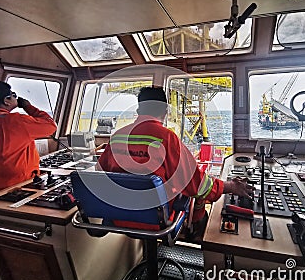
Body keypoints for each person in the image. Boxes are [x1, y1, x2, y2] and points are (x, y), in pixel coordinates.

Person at [96, 87, 254, 236]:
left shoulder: (117, 136)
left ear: (138, 110)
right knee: (195, 194)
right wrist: (231, 186)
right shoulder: (167, 138)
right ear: (165, 111)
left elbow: (100, 173)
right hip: (155, 222)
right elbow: (197, 184)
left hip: (118, 216)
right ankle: (196, 233)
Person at [0, 80, 57, 280]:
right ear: (7, 100)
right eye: (13, 95)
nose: (16, 98)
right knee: (21, 232)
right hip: (20, 187)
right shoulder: (14, 121)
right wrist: (27, 106)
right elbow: (50, 126)